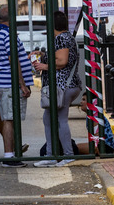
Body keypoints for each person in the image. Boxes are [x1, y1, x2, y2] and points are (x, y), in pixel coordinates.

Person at [31, 11, 80, 166]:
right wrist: (44, 54)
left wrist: (43, 65)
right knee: (49, 119)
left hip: (62, 86)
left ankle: (67, 155)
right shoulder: (67, 37)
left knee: (60, 120)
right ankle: (51, 154)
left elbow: (62, 61)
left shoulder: (61, 38)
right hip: (64, 85)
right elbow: (58, 56)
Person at [0, 5, 34, 166]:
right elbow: (13, 59)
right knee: (9, 119)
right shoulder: (8, 34)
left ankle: (13, 152)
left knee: (9, 117)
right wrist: (22, 84)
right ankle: (9, 156)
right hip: (10, 83)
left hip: (3, 80)